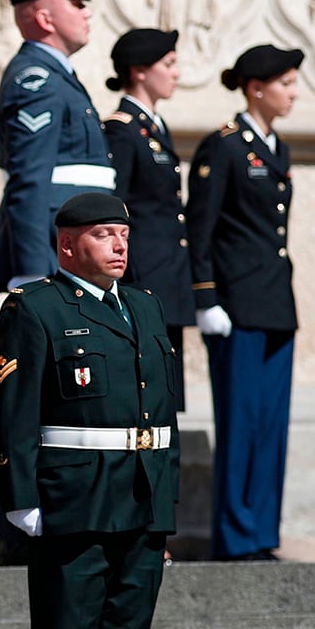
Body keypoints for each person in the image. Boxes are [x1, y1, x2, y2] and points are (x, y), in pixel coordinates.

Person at [0, 191, 176, 629]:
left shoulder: (146, 309)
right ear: (68, 245)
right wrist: (20, 498)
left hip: (140, 497)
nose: (120, 245)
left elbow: (162, 416)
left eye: (123, 234)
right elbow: (14, 412)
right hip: (72, 500)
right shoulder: (36, 308)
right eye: (104, 235)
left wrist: (166, 507)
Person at [188, 45, 305, 562]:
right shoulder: (226, 147)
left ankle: (262, 532)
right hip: (236, 307)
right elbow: (202, 227)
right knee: (240, 423)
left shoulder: (276, 145)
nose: (294, 91)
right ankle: (237, 537)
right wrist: (206, 298)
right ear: (256, 88)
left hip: (275, 303)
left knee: (271, 427)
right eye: (286, 82)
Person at [0, 0, 116, 293]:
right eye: (75, 4)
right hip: (55, 251)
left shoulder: (59, 77)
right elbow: (29, 179)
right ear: (45, 19)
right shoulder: (37, 79)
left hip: (79, 246)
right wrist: (32, 270)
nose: (86, 12)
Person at [101, 28, 194, 397]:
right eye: (168, 64)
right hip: (143, 278)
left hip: (166, 278)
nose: (176, 73)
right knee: (145, 394)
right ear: (139, 71)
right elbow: (117, 208)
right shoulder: (122, 131)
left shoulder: (154, 128)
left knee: (165, 397)